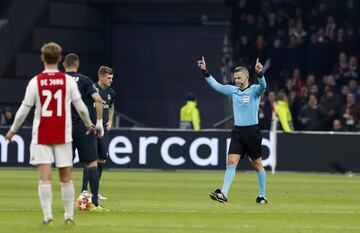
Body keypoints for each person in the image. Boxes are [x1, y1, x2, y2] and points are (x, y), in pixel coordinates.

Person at [5, 42, 95, 225]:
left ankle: (48, 217)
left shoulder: (35, 82)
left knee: (44, 178)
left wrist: (12, 130)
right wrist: (88, 124)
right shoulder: (67, 81)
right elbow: (82, 108)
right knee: (66, 178)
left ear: (42, 58)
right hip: (63, 134)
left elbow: (24, 110)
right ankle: (69, 216)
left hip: (42, 135)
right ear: (59, 58)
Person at [197, 56, 268, 204]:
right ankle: (223, 193)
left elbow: (263, 87)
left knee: (257, 165)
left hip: (252, 132)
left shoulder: (255, 91)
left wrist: (260, 74)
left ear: (247, 77)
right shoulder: (233, 90)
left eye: (239, 78)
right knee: (231, 162)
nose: (236, 80)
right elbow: (216, 86)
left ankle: (262, 195)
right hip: (238, 132)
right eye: (235, 78)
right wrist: (205, 72)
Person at [62, 53, 107, 211]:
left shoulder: (58, 80)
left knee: (66, 165)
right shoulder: (85, 80)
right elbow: (99, 100)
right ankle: (94, 204)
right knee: (91, 163)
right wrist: (99, 123)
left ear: (64, 65)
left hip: (64, 127)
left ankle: (67, 206)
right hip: (83, 126)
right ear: (77, 65)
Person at [82, 66, 116, 200]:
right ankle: (84, 190)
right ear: (101, 77)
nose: (111, 81)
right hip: (92, 128)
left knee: (101, 158)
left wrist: (111, 120)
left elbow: (112, 106)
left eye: (112, 78)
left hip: (104, 129)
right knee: (91, 159)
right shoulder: (92, 89)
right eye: (108, 78)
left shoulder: (111, 92)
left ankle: (95, 191)